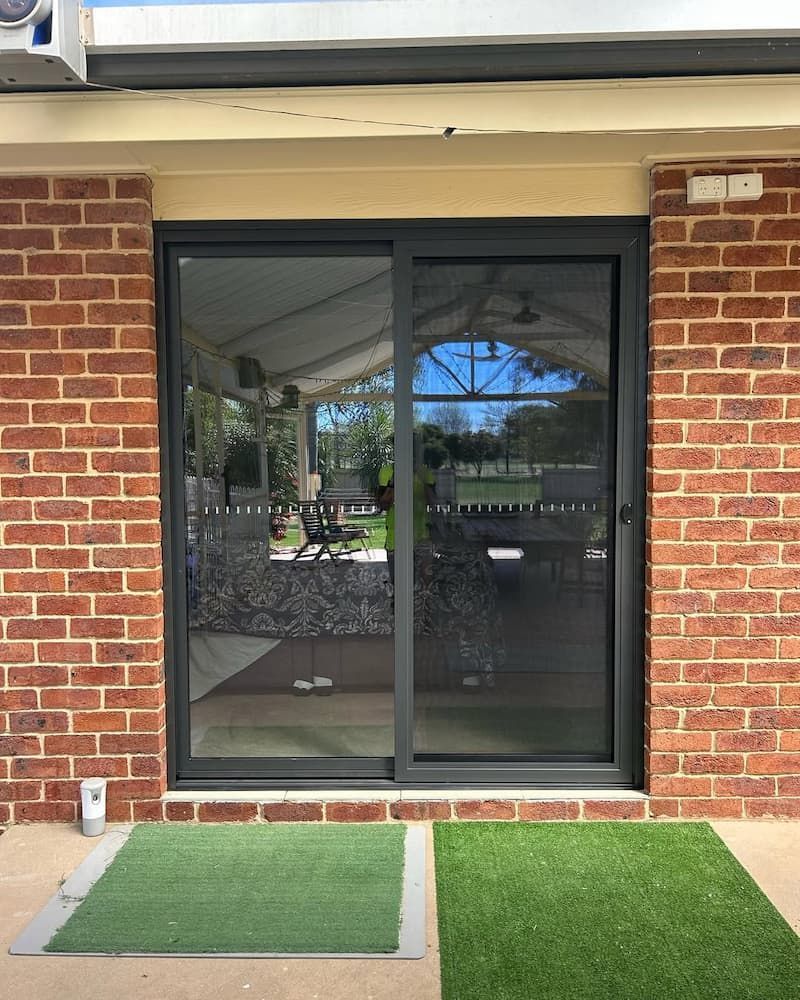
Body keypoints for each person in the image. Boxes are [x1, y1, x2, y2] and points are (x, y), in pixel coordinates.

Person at [377, 455, 436, 584]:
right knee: (398, 583)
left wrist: (420, 477)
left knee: (426, 582)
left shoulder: (425, 472)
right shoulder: (387, 472)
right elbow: (383, 505)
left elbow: (433, 502)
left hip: (421, 535)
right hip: (395, 537)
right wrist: (393, 482)